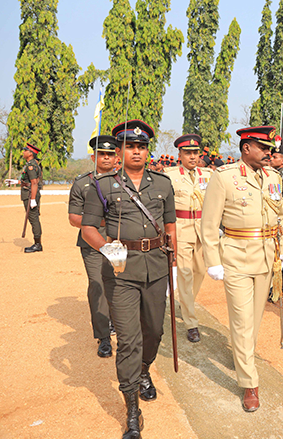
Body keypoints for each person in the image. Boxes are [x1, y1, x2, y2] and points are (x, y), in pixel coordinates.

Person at [81, 120, 176, 438]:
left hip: (156, 268)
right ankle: (132, 409)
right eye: (130, 146)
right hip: (120, 272)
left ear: (147, 150)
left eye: (142, 146)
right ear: (120, 151)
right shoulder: (103, 186)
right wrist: (107, 248)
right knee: (129, 341)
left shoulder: (162, 184)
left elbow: (170, 221)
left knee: (154, 331)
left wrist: (171, 249)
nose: (136, 150)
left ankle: (145, 370)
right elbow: (88, 228)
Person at [201, 126, 283, 412]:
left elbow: (281, 215)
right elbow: (209, 223)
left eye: (270, 149)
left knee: (254, 318)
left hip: (266, 256)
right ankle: (249, 382)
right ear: (246, 148)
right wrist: (213, 260)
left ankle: (242, 355)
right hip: (236, 255)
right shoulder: (224, 177)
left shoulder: (273, 177)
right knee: (241, 319)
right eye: (263, 148)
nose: (269, 153)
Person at [68, 135, 119, 358]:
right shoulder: (83, 183)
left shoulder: (125, 182)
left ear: (116, 156)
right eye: (102, 154)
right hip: (93, 244)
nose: (106, 158)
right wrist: (103, 222)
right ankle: (103, 336)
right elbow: (73, 218)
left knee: (121, 285)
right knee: (98, 285)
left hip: (122, 242)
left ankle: (119, 323)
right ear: (93, 156)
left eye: (110, 154)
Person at [163, 134, 211, 343]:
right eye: (188, 153)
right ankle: (191, 323)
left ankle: (185, 302)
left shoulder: (209, 175)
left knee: (200, 271)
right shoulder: (169, 175)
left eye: (195, 153)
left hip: (202, 230)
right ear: (180, 154)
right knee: (185, 274)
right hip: (181, 229)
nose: (192, 156)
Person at [20, 143, 44, 252]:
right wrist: (16, 182)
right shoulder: (32, 164)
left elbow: (34, 182)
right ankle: (37, 243)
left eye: (25, 150)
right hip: (29, 193)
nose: (23, 152)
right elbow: (28, 181)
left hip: (30, 195)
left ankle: (37, 244)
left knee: (34, 219)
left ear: (30, 153)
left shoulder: (31, 166)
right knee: (33, 218)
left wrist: (33, 199)